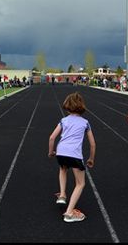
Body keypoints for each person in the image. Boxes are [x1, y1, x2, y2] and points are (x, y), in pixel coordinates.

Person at [48, 92, 96, 223]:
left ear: (67, 106)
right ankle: (69, 213)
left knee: (63, 169)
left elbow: (52, 137)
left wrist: (51, 151)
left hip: (61, 151)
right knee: (80, 183)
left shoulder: (63, 120)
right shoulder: (85, 122)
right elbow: (92, 144)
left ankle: (62, 194)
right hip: (74, 154)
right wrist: (91, 158)